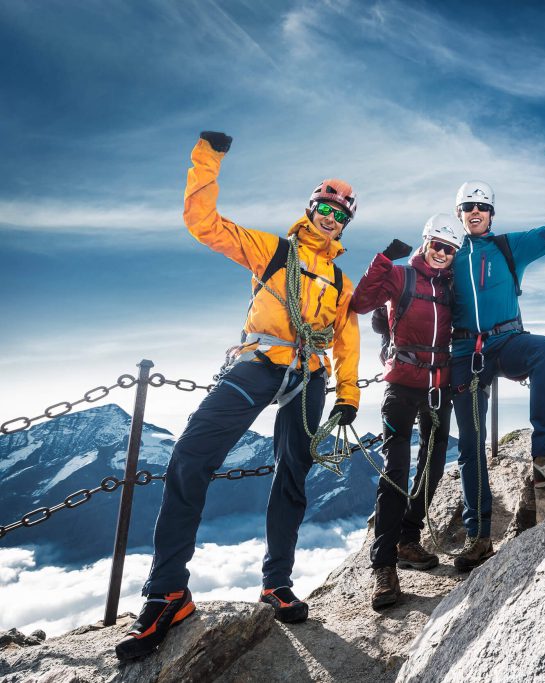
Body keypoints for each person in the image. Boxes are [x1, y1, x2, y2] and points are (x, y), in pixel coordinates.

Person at [115, 131, 361, 661]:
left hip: (309, 376)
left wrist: (348, 395)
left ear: (345, 224)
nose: (330, 218)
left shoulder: (341, 282)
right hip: (259, 363)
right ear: (311, 209)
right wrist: (208, 158)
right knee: (190, 456)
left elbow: (346, 339)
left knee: (292, 476)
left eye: (339, 214)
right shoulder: (272, 250)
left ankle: (277, 584)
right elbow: (203, 223)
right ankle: (168, 592)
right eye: (324, 208)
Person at [449, 150, 545, 572]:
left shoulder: (508, 247)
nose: (475, 212)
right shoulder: (448, 255)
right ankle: (478, 537)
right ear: (459, 214)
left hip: (507, 342)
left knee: (544, 349)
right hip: (464, 354)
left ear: (491, 213)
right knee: (471, 444)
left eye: (482, 206)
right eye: (468, 207)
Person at [350, 214, 462, 609]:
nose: (442, 253)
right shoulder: (400, 276)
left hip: (438, 387)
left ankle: (408, 539)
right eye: (438, 245)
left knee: (433, 464)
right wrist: (382, 260)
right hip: (400, 384)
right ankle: (383, 567)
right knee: (395, 471)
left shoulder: (451, 286)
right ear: (425, 242)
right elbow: (361, 302)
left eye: (450, 249)